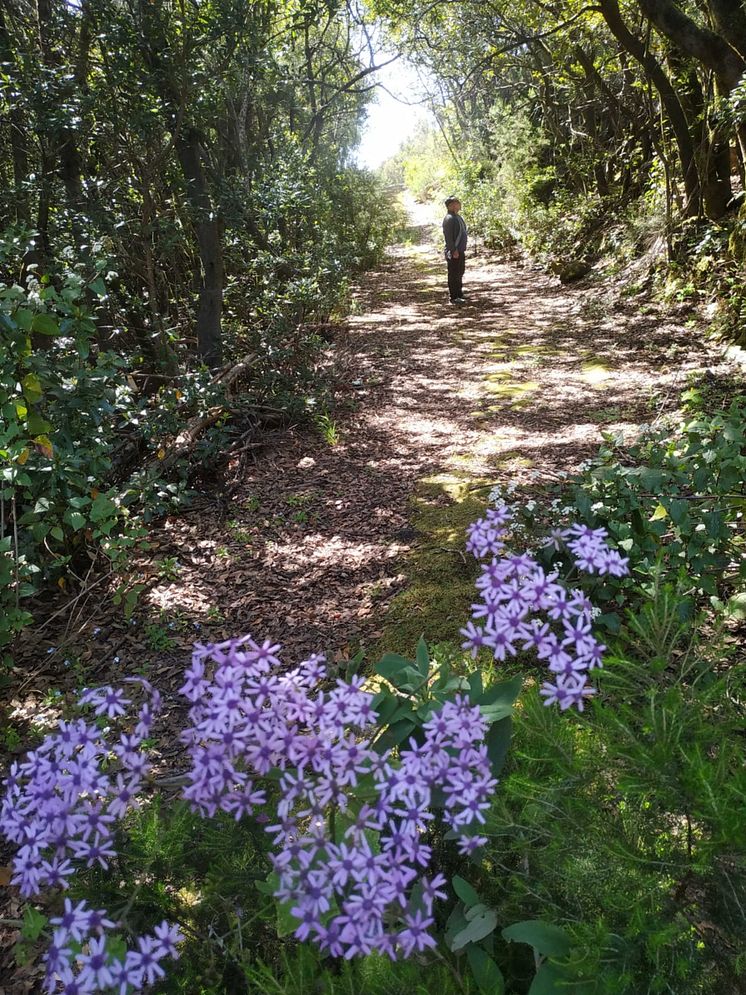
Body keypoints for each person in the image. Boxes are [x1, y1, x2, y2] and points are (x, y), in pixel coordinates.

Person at [442, 196, 468, 304]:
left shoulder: (457, 217)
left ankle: (459, 292)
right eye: (456, 203)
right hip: (454, 251)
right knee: (454, 273)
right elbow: (448, 237)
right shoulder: (449, 218)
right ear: (451, 206)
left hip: (460, 250)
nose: (459, 204)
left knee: (460, 271)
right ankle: (454, 296)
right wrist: (453, 250)